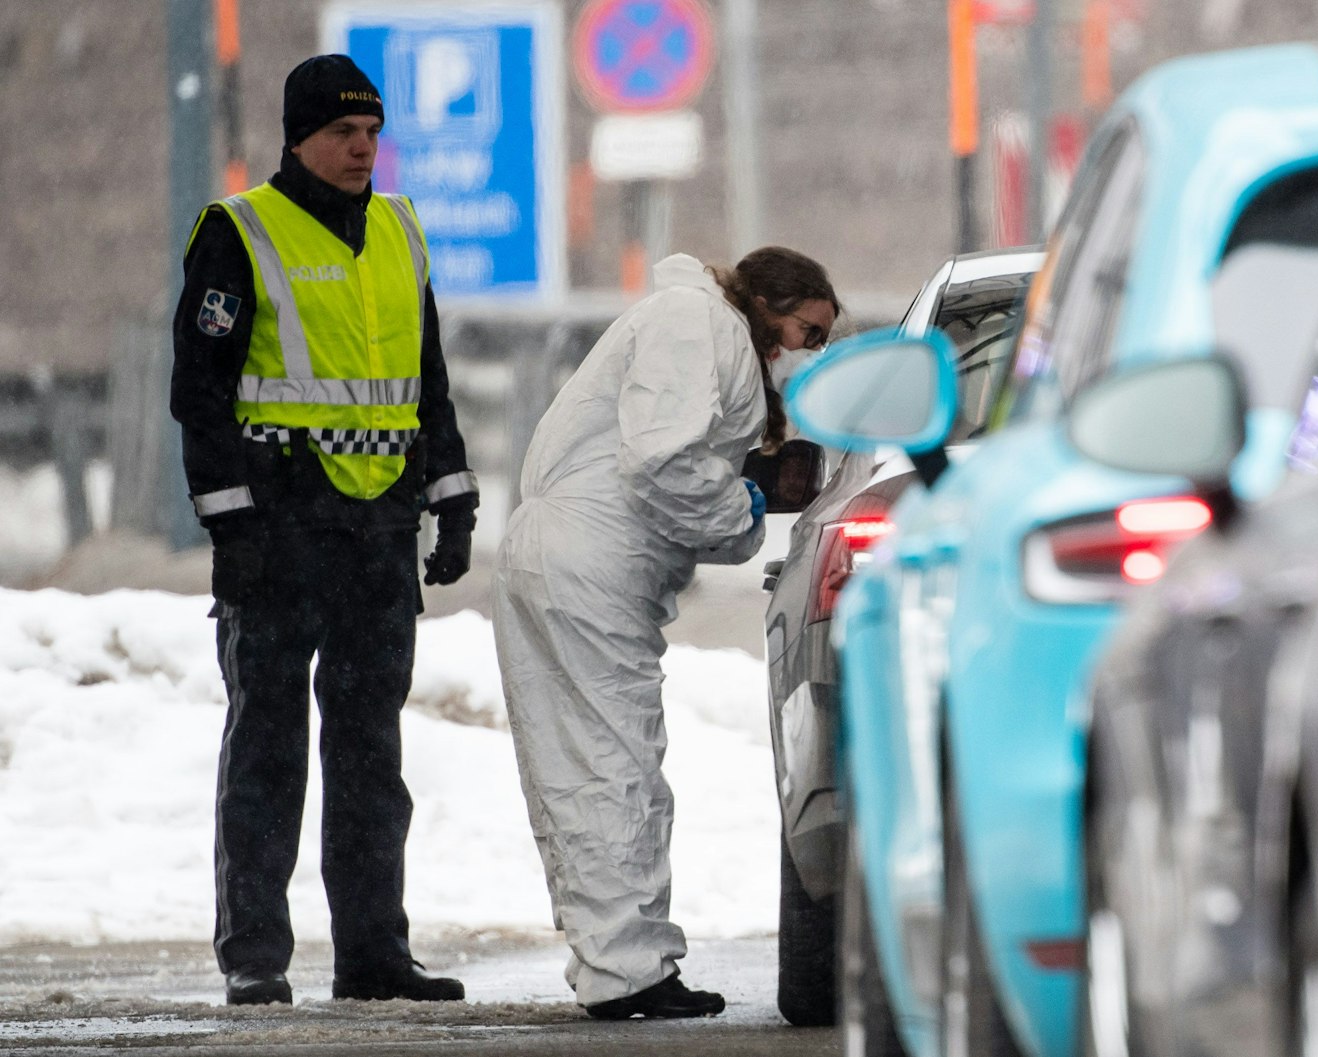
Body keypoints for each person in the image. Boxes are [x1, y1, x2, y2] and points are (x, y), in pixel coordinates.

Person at [169, 54, 478, 1007]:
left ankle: (373, 952)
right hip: (278, 529)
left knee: (370, 753)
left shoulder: (400, 231)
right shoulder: (240, 233)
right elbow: (201, 394)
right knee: (267, 747)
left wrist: (453, 493)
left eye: (373, 132)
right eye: (344, 133)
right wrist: (231, 524)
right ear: (298, 137)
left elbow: (425, 380)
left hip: (376, 529)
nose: (362, 149)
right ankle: (255, 953)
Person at [494, 247, 838, 1019]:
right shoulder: (698, 322)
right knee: (615, 763)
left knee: (582, 768)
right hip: (591, 564)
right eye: (808, 329)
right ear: (768, 305)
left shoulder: (704, 335)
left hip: (575, 558)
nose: (811, 352)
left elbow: (671, 474)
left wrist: (740, 502)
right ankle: (629, 969)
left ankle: (615, 962)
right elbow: (662, 463)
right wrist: (742, 507)